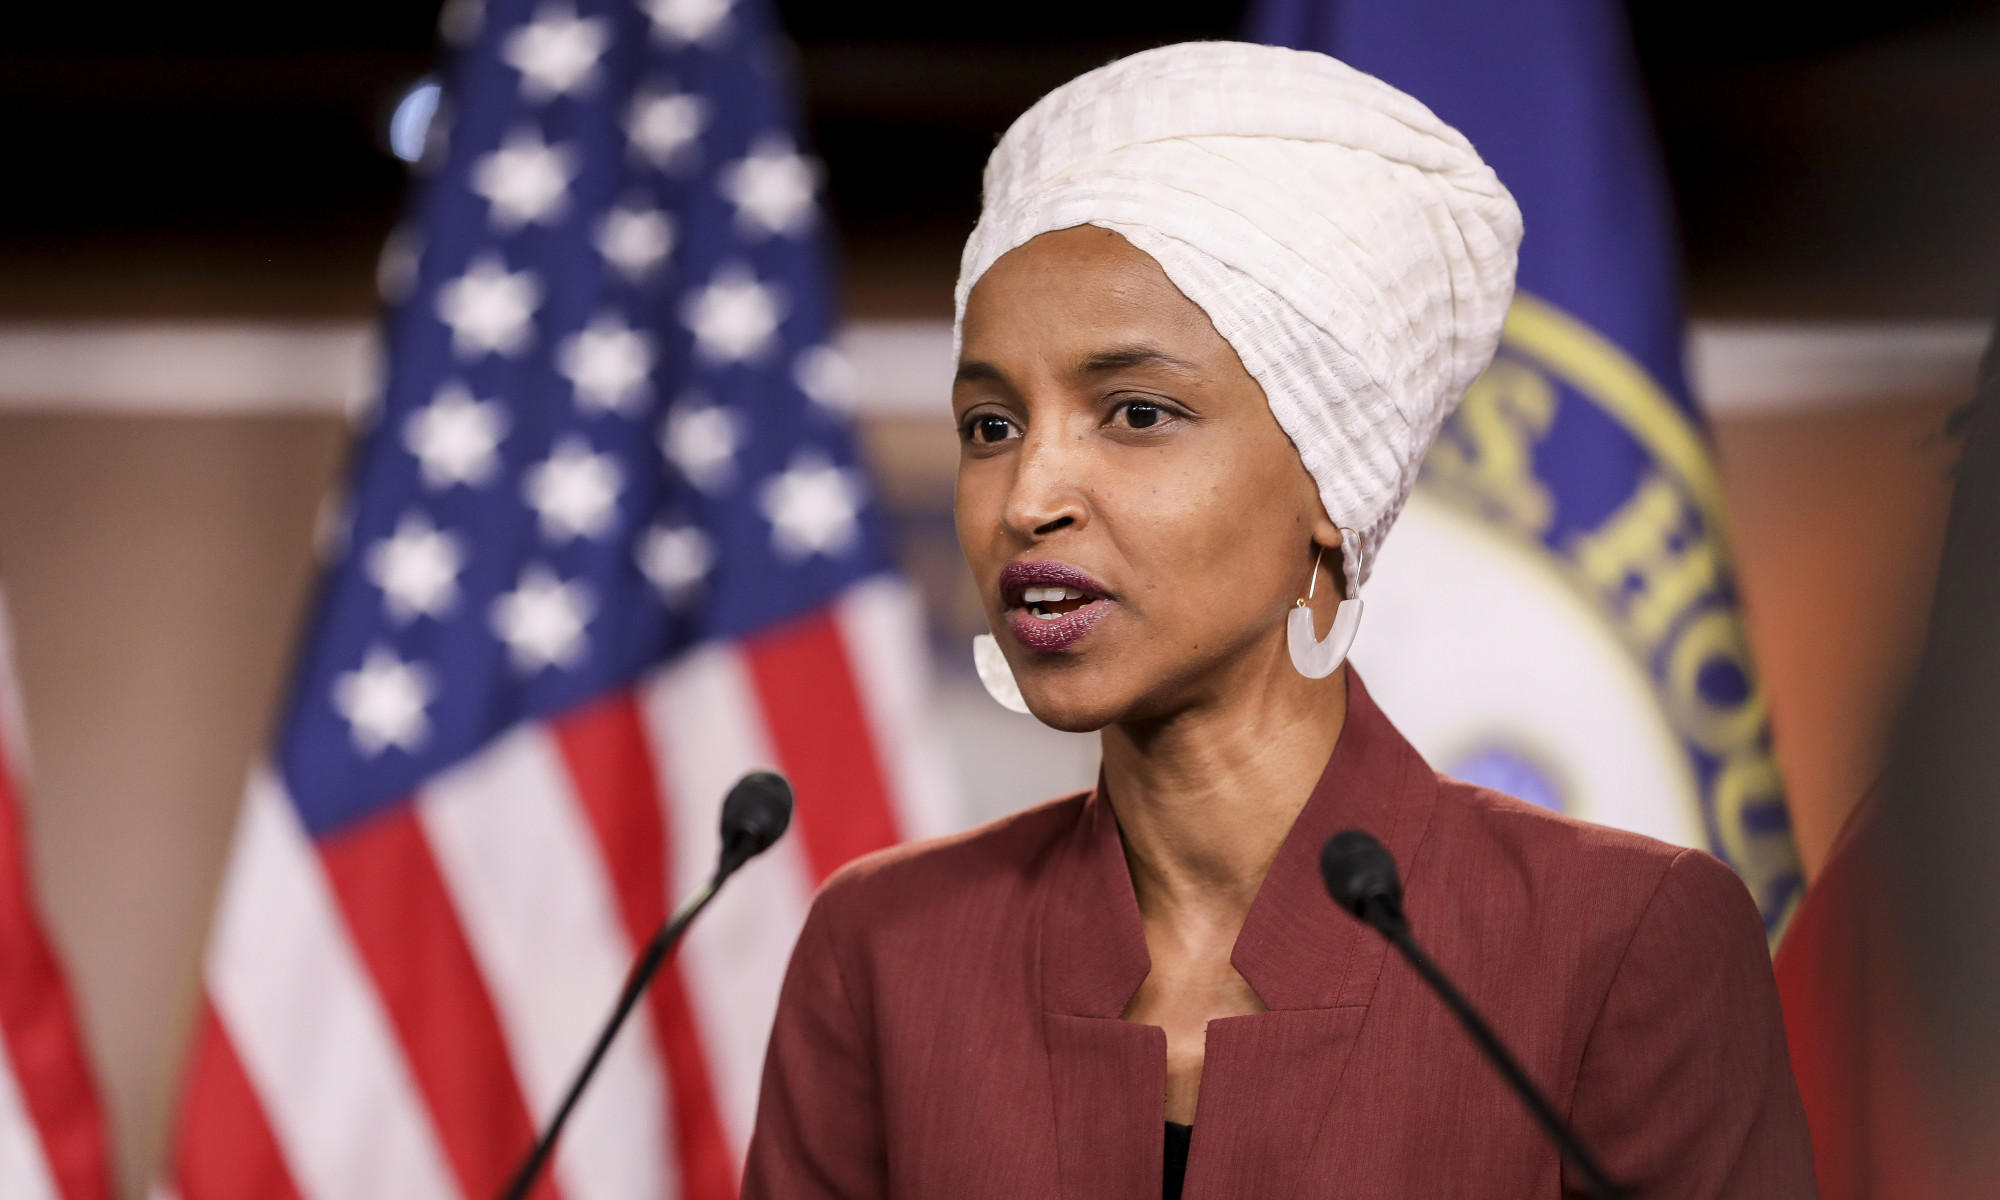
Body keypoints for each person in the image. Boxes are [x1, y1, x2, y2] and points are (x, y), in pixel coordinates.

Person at [743, 42, 1815, 1200]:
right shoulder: (886, 947)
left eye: (1135, 412)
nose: (1027, 496)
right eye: (989, 426)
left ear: (1329, 484)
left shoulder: (1620, 935)